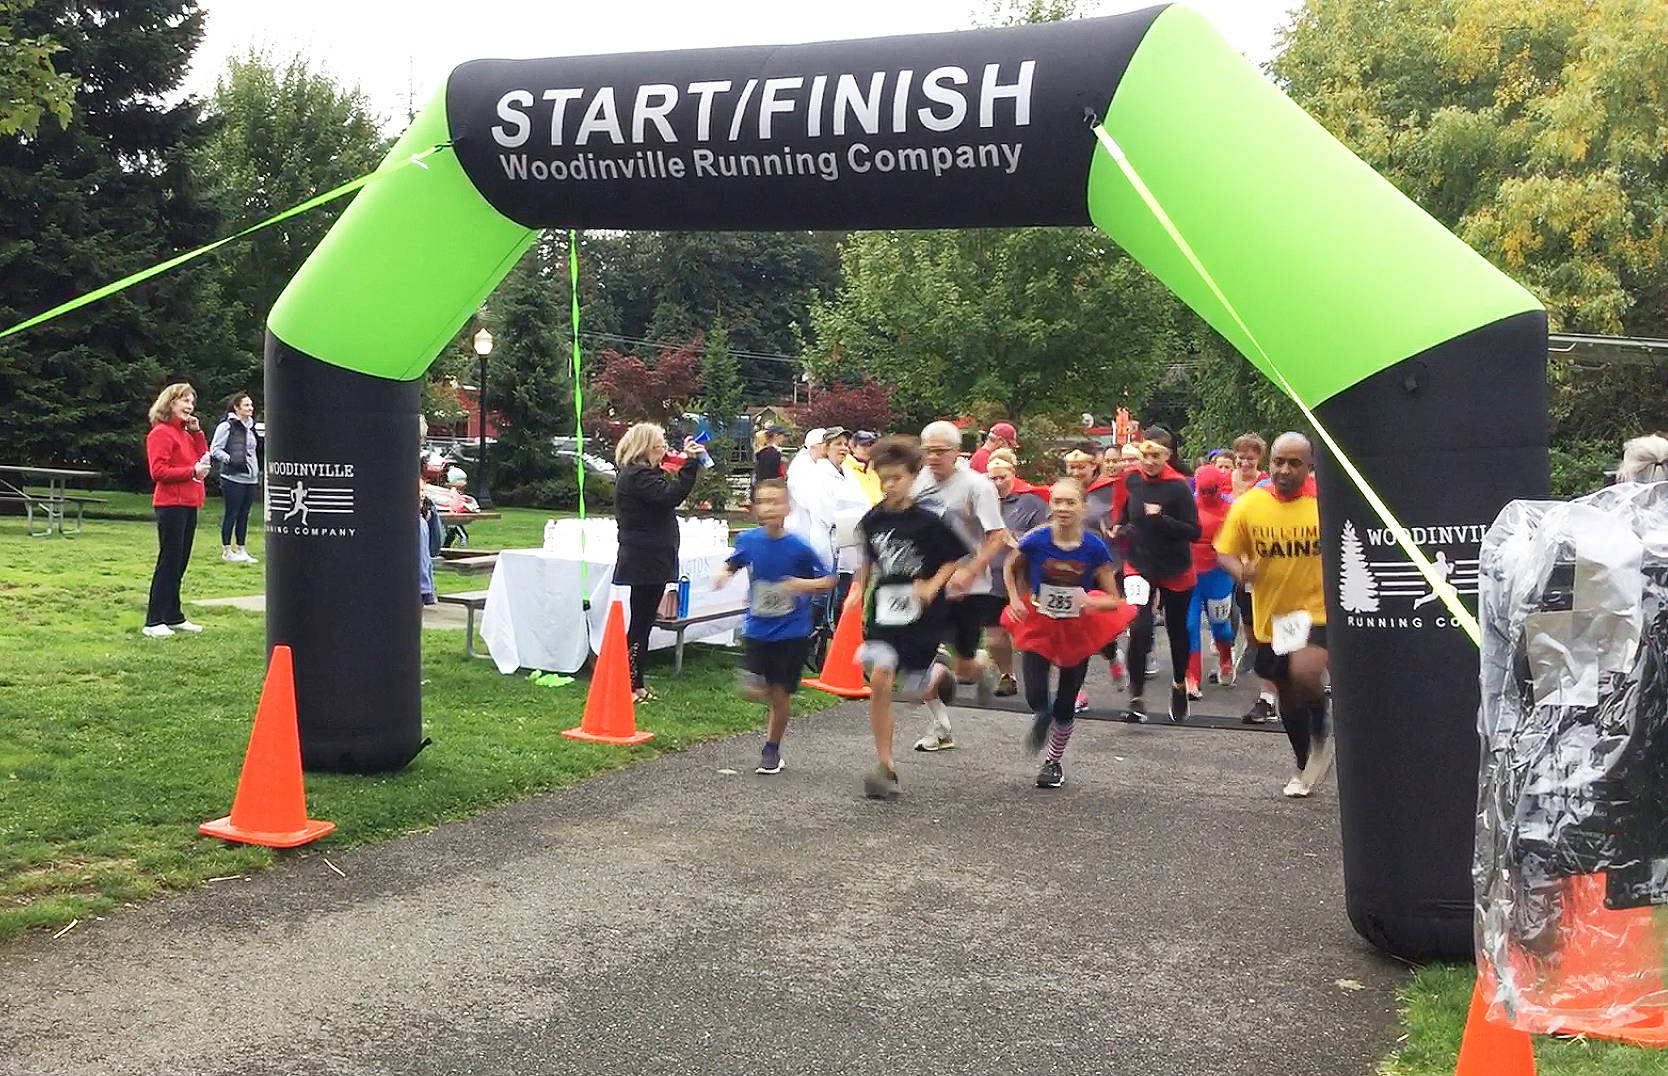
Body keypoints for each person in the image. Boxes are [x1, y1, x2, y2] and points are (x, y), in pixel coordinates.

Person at [1215, 432, 1331, 797]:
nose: (1284, 469)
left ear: (1310, 466)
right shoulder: (1251, 505)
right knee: (1288, 692)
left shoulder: (1326, 502)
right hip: (1275, 614)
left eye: (1294, 463)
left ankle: (1321, 720)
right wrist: (1240, 571)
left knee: (1305, 670)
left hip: (1318, 610)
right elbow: (1225, 551)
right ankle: (1304, 762)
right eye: (1278, 461)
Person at [853, 437, 967, 800]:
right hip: (885, 612)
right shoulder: (872, 520)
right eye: (884, 479)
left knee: (915, 691)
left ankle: (940, 674)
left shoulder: (928, 522)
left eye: (897, 478)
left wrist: (931, 587)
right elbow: (867, 563)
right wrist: (857, 591)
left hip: (923, 615)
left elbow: (952, 560)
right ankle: (885, 765)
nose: (889, 486)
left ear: (913, 477)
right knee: (881, 679)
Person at [1002, 478, 1135, 787]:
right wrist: (1013, 599)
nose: (1062, 508)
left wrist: (1089, 601)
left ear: (1082, 507)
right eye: (1057, 502)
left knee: (1065, 702)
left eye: (1069, 502)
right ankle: (1042, 718)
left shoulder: (1093, 547)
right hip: (1040, 622)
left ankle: (1053, 762)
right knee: (1036, 697)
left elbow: (1114, 599)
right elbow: (1011, 566)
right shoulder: (1036, 540)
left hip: (1077, 627)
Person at [714, 479, 834, 776]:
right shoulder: (749, 540)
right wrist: (723, 572)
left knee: (780, 694)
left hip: (791, 632)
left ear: (787, 507)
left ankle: (772, 748)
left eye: (775, 501)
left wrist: (800, 585)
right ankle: (764, 688)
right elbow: (734, 562)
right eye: (763, 501)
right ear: (755, 507)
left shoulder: (800, 547)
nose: (769, 507)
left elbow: (828, 580)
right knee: (752, 689)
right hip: (757, 628)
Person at [913, 419, 1008, 749]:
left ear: (956, 452)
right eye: (928, 451)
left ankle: (979, 665)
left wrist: (972, 570)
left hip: (970, 588)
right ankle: (941, 727)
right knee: (923, 661)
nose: (934, 458)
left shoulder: (977, 486)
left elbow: (998, 537)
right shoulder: (916, 483)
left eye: (941, 451)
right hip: (928, 584)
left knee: (964, 665)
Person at [613, 421, 707, 702]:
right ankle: (628, 683)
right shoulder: (638, 476)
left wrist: (681, 462)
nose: (665, 447)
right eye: (661, 442)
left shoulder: (644, 473)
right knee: (640, 623)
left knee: (644, 621)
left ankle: (636, 682)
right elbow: (669, 496)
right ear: (647, 446)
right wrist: (689, 465)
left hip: (652, 555)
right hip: (644, 557)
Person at [1116, 436, 1201, 722]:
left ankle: (1179, 684)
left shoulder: (1178, 487)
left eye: (1156, 457)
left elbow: (1194, 532)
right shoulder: (1132, 481)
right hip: (1140, 563)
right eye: (1145, 457)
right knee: (1139, 625)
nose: (1150, 462)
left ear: (1166, 457)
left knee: (1177, 629)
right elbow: (1127, 512)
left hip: (1175, 567)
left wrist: (1162, 518)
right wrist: (1120, 526)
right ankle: (1136, 696)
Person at [142, 382, 210, 637]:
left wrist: (198, 434)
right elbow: (158, 471)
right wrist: (190, 472)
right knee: (168, 562)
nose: (189, 406)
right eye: (184, 400)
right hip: (171, 504)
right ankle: (153, 620)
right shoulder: (161, 433)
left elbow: (203, 458)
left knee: (180, 562)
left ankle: (173, 615)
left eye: (192, 402)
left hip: (190, 502)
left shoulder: (185, 433)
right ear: (170, 402)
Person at [985, 449, 1047, 696]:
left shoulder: (1031, 501)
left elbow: (1045, 534)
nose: (998, 483)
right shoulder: (983, 500)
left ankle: (1039, 679)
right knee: (992, 636)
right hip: (991, 576)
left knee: (1029, 633)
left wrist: (1016, 540)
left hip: (1024, 577)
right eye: (993, 478)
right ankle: (1006, 675)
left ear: (1013, 473)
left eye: (1002, 477)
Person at [1183, 464, 1237, 698]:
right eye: (1202, 490)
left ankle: (1225, 656)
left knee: (1220, 623)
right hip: (1189, 573)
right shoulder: (1187, 505)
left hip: (1219, 573)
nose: (1206, 495)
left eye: (1211, 490)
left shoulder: (1232, 508)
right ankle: (1191, 676)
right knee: (1189, 625)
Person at [209, 392, 260, 564]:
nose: (250, 408)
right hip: (232, 477)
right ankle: (227, 550)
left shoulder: (251, 427)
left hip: (250, 477)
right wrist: (231, 460)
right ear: (236, 407)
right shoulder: (227, 426)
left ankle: (242, 549)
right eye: (246, 405)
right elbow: (215, 449)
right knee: (232, 512)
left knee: (244, 514)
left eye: (251, 405)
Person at [419, 469, 443, 606]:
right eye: (418, 491)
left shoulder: (422, 521)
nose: (422, 495)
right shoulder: (418, 523)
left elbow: (425, 557)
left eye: (423, 491)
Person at [843, 429, 882, 505]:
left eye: (870, 445)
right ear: (853, 447)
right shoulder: (846, 469)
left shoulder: (873, 471)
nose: (868, 449)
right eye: (863, 445)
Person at [1229, 432, 1267, 500]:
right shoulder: (1224, 478)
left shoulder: (1266, 483)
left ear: (1259, 459)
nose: (1245, 463)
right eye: (1241, 457)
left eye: (1250, 459)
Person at [752, 426, 785, 490]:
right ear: (776, 436)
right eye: (783, 435)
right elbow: (772, 473)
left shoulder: (763, 452)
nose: (784, 438)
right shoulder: (772, 453)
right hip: (771, 487)